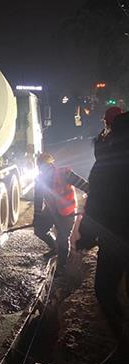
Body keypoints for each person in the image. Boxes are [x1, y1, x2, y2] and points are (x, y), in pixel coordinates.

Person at [77, 112, 129, 335]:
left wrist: (86, 237)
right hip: (116, 236)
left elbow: (96, 204)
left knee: (105, 290)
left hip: (115, 238)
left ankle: (120, 336)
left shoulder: (108, 163)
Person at [33, 152, 89, 271]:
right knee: (39, 230)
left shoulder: (65, 174)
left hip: (67, 212)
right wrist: (36, 217)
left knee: (63, 240)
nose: (43, 171)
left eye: (45, 167)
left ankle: (61, 266)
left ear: (51, 165)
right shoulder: (40, 179)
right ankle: (54, 248)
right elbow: (37, 199)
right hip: (51, 210)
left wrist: (92, 202)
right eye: (41, 168)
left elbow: (84, 186)